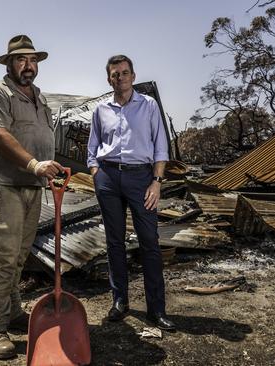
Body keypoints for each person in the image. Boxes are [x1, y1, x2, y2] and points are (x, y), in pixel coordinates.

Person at [0, 34, 64, 359]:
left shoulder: (41, 100)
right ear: (10, 63)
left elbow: (40, 138)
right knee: (4, 255)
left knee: (20, 254)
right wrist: (33, 163)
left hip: (33, 185)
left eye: (32, 60)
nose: (27, 66)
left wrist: (47, 169)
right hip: (4, 184)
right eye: (21, 60)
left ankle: (12, 311)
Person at [87, 55, 176, 331]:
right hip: (109, 178)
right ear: (109, 79)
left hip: (141, 179)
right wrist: (96, 173)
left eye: (125, 73)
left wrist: (156, 182)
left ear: (133, 76)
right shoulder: (100, 109)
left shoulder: (148, 106)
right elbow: (92, 150)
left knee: (149, 242)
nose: (120, 77)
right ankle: (120, 301)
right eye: (115, 74)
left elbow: (161, 147)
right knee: (115, 242)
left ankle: (156, 310)